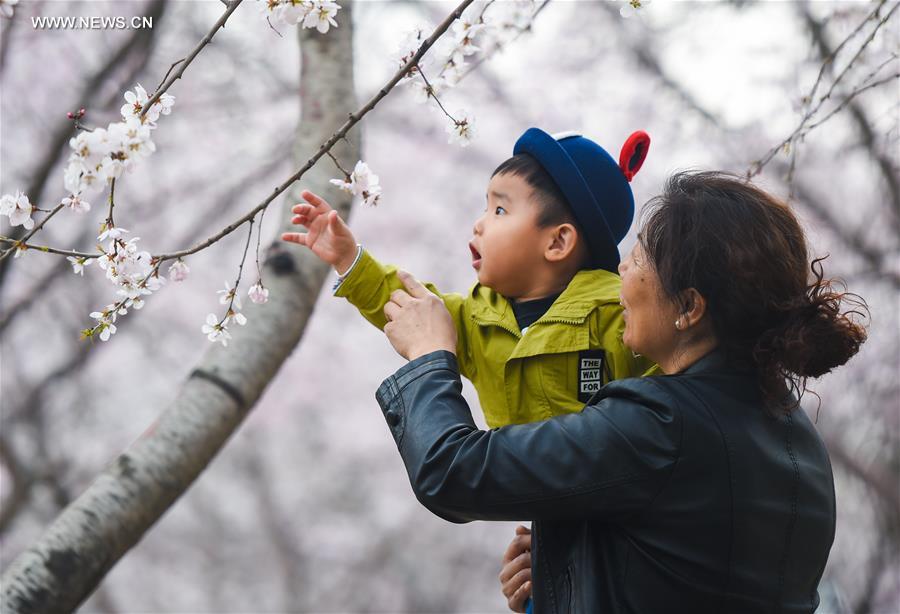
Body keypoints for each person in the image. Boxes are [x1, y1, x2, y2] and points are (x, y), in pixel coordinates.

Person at [374, 171, 868, 613]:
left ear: (689, 307)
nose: (620, 273)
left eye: (638, 257)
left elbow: (453, 472)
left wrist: (429, 355)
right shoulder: (800, 440)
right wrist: (566, 567)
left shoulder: (661, 422)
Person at [281, 128, 655, 430]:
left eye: (500, 210)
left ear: (557, 242)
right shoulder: (478, 321)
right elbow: (409, 304)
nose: (479, 223)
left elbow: (668, 398)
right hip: (528, 495)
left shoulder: (617, 313)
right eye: (486, 207)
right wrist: (350, 259)